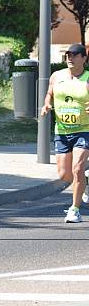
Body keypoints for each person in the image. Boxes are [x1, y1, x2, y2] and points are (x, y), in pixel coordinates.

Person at [41, 43, 89, 223]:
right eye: (68, 54)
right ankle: (85, 182)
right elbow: (49, 94)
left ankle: (75, 209)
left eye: (75, 54)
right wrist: (46, 104)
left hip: (84, 130)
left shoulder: (87, 79)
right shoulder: (57, 76)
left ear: (84, 58)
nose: (70, 57)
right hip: (61, 131)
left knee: (77, 168)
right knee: (64, 175)